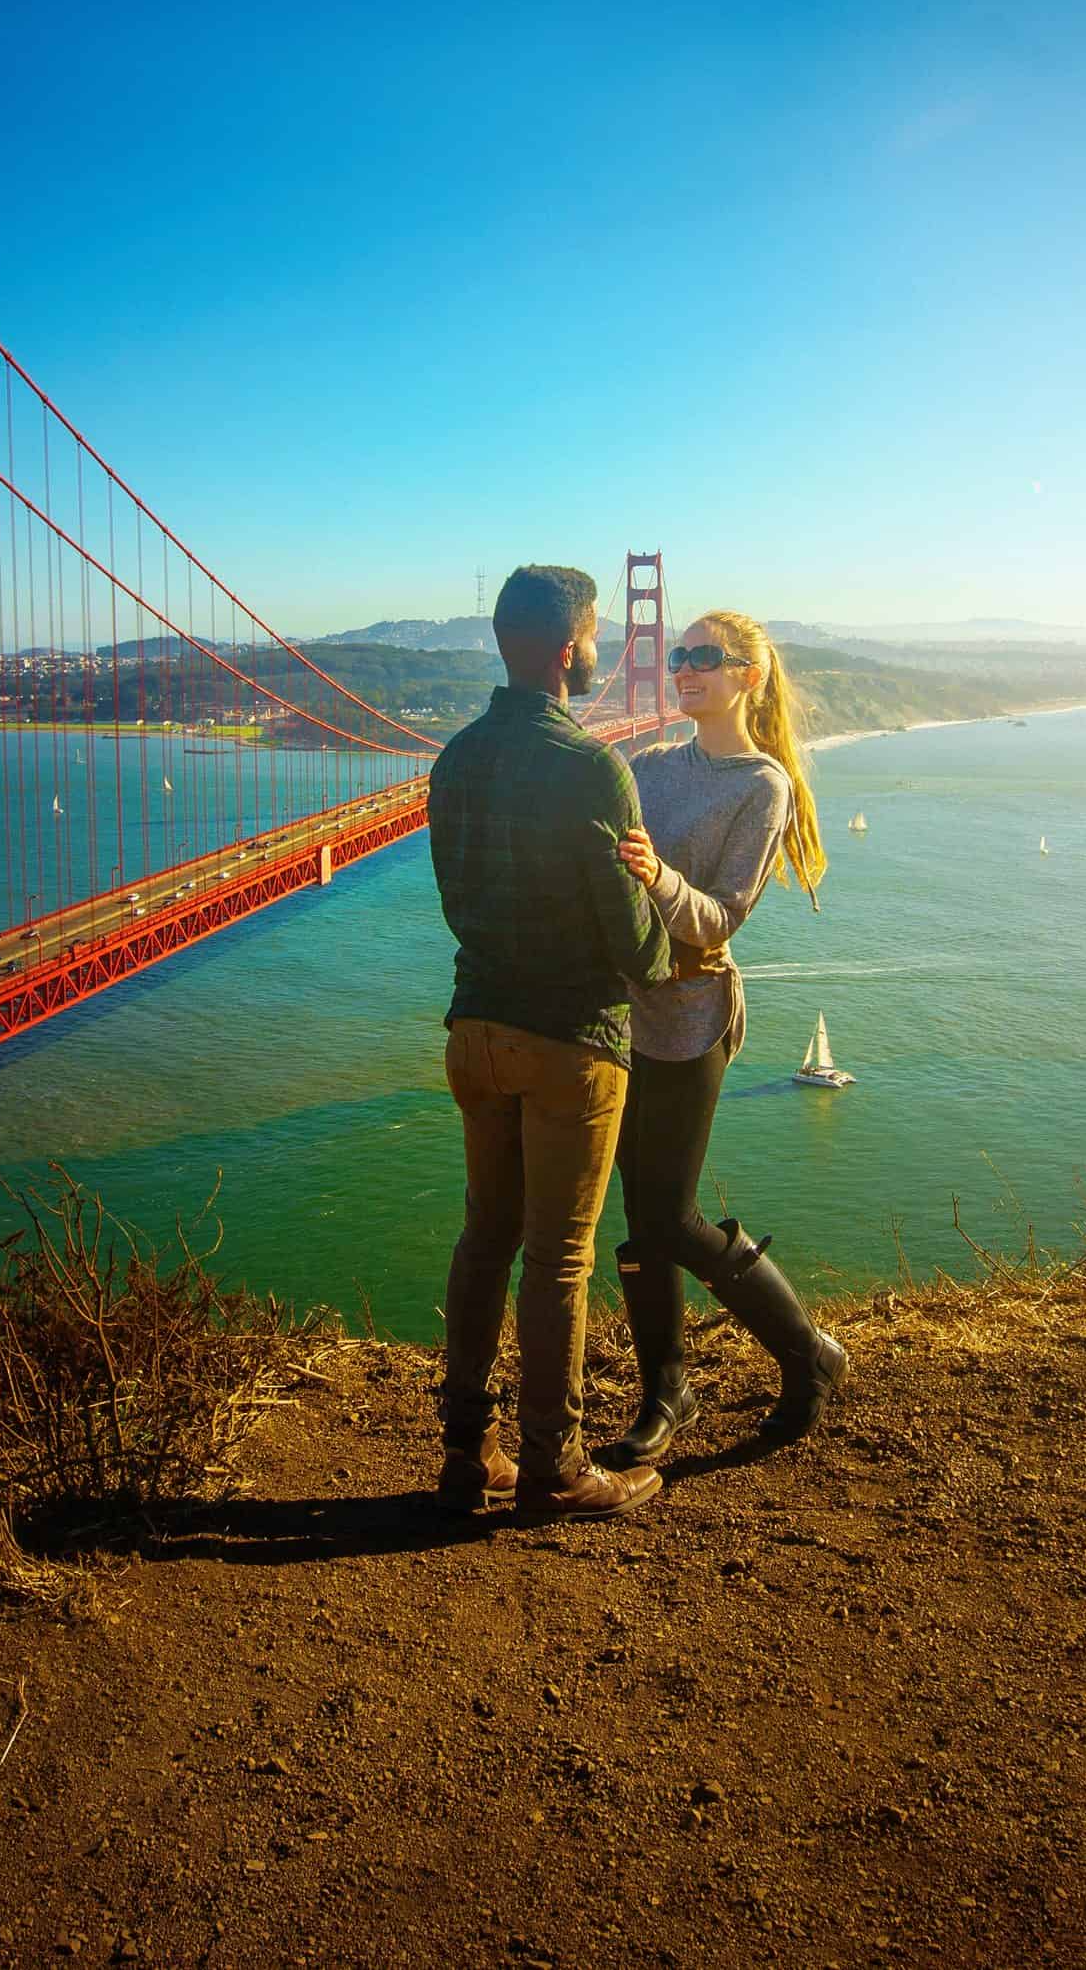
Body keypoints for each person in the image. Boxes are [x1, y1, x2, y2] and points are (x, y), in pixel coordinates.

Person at [426, 565, 672, 1520]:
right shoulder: (594, 768)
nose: (606, 644)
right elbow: (640, 955)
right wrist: (658, 900)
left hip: (475, 1031)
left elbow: (455, 899)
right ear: (570, 648)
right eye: (598, 630)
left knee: (484, 1236)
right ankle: (553, 1466)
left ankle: (464, 1456)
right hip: (571, 1043)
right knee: (558, 1258)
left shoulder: (454, 758)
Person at [595, 609, 849, 1467]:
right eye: (680, 655)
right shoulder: (650, 765)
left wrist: (649, 872)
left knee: (673, 1213)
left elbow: (720, 917)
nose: (685, 668)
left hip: (693, 1017)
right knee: (637, 1219)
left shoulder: (762, 786)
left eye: (706, 657)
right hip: (620, 1014)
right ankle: (666, 1393)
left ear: (748, 675)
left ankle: (809, 1353)